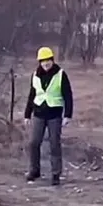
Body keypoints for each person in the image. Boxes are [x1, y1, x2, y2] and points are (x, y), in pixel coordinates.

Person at [24, 47, 73, 186]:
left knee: (54, 144)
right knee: (34, 143)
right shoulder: (35, 75)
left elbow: (68, 95)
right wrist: (27, 114)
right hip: (38, 113)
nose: (46, 63)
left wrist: (68, 115)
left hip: (54, 115)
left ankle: (56, 174)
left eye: (48, 60)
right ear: (39, 62)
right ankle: (34, 170)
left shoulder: (60, 74)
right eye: (43, 61)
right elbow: (32, 95)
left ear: (52, 60)